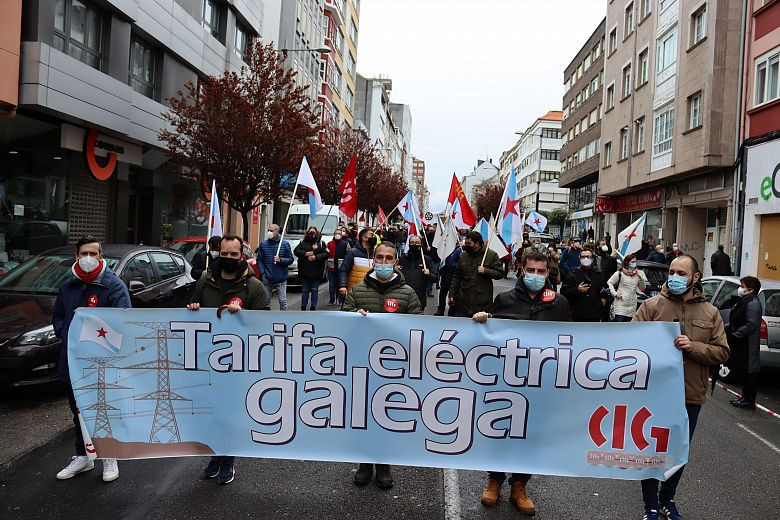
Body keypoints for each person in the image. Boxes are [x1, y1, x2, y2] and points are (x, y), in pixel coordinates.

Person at [472, 251, 571, 515]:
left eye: (542, 272)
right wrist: (482, 321)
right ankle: (494, 480)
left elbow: (571, 343)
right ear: (521, 269)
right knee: (499, 431)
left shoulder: (560, 303)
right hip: (507, 380)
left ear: (548, 273)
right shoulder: (505, 300)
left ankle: (520, 484)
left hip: (541, 382)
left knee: (532, 435)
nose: (536, 276)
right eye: (532, 270)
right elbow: (488, 339)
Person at [633, 254, 729, 520]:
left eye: (681, 273)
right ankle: (650, 504)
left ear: (695, 277)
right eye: (671, 271)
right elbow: (630, 345)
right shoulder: (652, 306)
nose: (674, 277)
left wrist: (694, 347)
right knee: (652, 450)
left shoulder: (710, 313)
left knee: (678, 452)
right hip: (654, 394)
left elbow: (722, 352)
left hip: (690, 395)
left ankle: (667, 499)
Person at [187, 234, 270, 484]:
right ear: (217, 253)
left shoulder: (253, 286)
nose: (229, 258)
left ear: (241, 255)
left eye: (234, 254)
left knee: (231, 413)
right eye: (224, 254)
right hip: (208, 362)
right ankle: (215, 456)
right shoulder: (205, 280)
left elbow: (266, 322)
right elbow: (191, 308)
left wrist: (244, 317)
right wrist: (192, 309)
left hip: (239, 363)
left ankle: (228, 460)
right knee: (212, 413)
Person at [343, 242, 421, 489]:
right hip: (363, 367)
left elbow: (418, 329)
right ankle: (365, 463)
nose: (384, 262)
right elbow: (343, 321)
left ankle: (384, 465)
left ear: (396, 262)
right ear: (373, 259)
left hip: (393, 368)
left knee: (387, 416)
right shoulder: (358, 290)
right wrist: (355, 316)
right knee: (364, 416)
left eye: (389, 258)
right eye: (379, 257)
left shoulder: (408, 293)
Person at [53, 236, 131, 482]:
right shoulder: (67, 287)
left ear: (101, 257)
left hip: (102, 363)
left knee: (103, 410)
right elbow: (58, 318)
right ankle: (83, 456)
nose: (88, 258)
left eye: (93, 254)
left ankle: (109, 456)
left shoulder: (114, 286)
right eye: (84, 253)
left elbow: (123, 323)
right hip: (74, 363)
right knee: (78, 410)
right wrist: (69, 333)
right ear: (77, 256)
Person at [449, 231, 505, 317]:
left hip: (482, 303)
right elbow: (456, 277)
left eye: (469, 243)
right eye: (465, 243)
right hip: (463, 301)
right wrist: (451, 294)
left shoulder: (491, 255)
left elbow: (500, 273)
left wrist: (486, 271)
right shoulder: (463, 256)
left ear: (477, 244)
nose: (465, 245)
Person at [727, 276, 762, 410]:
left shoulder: (753, 303)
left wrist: (735, 335)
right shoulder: (745, 301)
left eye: (742, 286)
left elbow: (751, 324)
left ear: (751, 289)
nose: (740, 289)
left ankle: (749, 400)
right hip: (743, 343)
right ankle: (744, 397)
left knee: (749, 373)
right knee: (745, 372)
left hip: (748, 344)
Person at [561, 246, 608, 322]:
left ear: (592, 259)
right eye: (583, 257)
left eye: (588, 257)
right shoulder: (573, 274)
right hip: (578, 315)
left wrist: (602, 302)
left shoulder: (598, 274)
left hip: (594, 315)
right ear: (579, 258)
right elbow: (564, 291)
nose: (585, 259)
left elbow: (605, 289)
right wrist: (577, 290)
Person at [256, 224, 294, 311]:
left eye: (271, 231)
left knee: (282, 301)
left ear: (277, 232)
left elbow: (290, 259)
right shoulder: (263, 244)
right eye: (268, 230)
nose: (269, 232)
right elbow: (259, 260)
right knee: (266, 301)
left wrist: (280, 260)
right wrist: (262, 274)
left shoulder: (284, 244)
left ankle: (283, 319)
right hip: (267, 277)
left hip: (281, 278)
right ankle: (266, 320)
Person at [399, 235, 438, 311]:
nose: (414, 244)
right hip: (402, 297)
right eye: (412, 242)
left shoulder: (426, 260)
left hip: (419, 297)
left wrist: (429, 274)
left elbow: (435, 278)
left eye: (417, 243)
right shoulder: (402, 259)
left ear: (421, 245)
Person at [294, 226, 328, 311]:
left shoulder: (321, 243)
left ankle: (313, 306)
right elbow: (296, 251)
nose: (312, 234)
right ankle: (303, 306)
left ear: (317, 234)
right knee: (305, 290)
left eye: (314, 233)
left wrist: (316, 257)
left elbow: (326, 254)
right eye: (310, 233)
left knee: (314, 290)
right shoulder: (302, 242)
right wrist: (305, 253)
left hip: (316, 271)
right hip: (304, 271)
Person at [607, 254, 647, 322]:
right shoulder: (620, 273)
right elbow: (609, 282)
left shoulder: (637, 274)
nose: (634, 264)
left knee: (628, 327)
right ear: (627, 262)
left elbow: (642, 288)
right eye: (632, 262)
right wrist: (615, 294)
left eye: (635, 262)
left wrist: (641, 279)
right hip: (620, 305)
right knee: (619, 326)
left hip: (632, 306)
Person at [339, 228, 375, 296]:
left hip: (370, 293)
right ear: (364, 238)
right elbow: (343, 270)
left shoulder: (375, 254)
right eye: (372, 236)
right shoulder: (353, 253)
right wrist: (343, 285)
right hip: (355, 292)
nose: (374, 238)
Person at [435, 244, 464, 316]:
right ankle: (441, 309)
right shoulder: (447, 251)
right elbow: (444, 264)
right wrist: (439, 274)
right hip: (446, 276)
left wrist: (461, 265)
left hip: (455, 277)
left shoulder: (460, 251)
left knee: (453, 295)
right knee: (442, 294)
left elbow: (453, 264)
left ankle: (452, 310)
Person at [327, 228, 349, 306]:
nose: (337, 235)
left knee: (340, 285)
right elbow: (327, 254)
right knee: (332, 285)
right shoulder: (329, 244)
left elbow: (348, 255)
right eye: (336, 233)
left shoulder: (345, 244)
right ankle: (332, 300)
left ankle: (340, 300)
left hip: (341, 268)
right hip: (331, 267)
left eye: (339, 234)